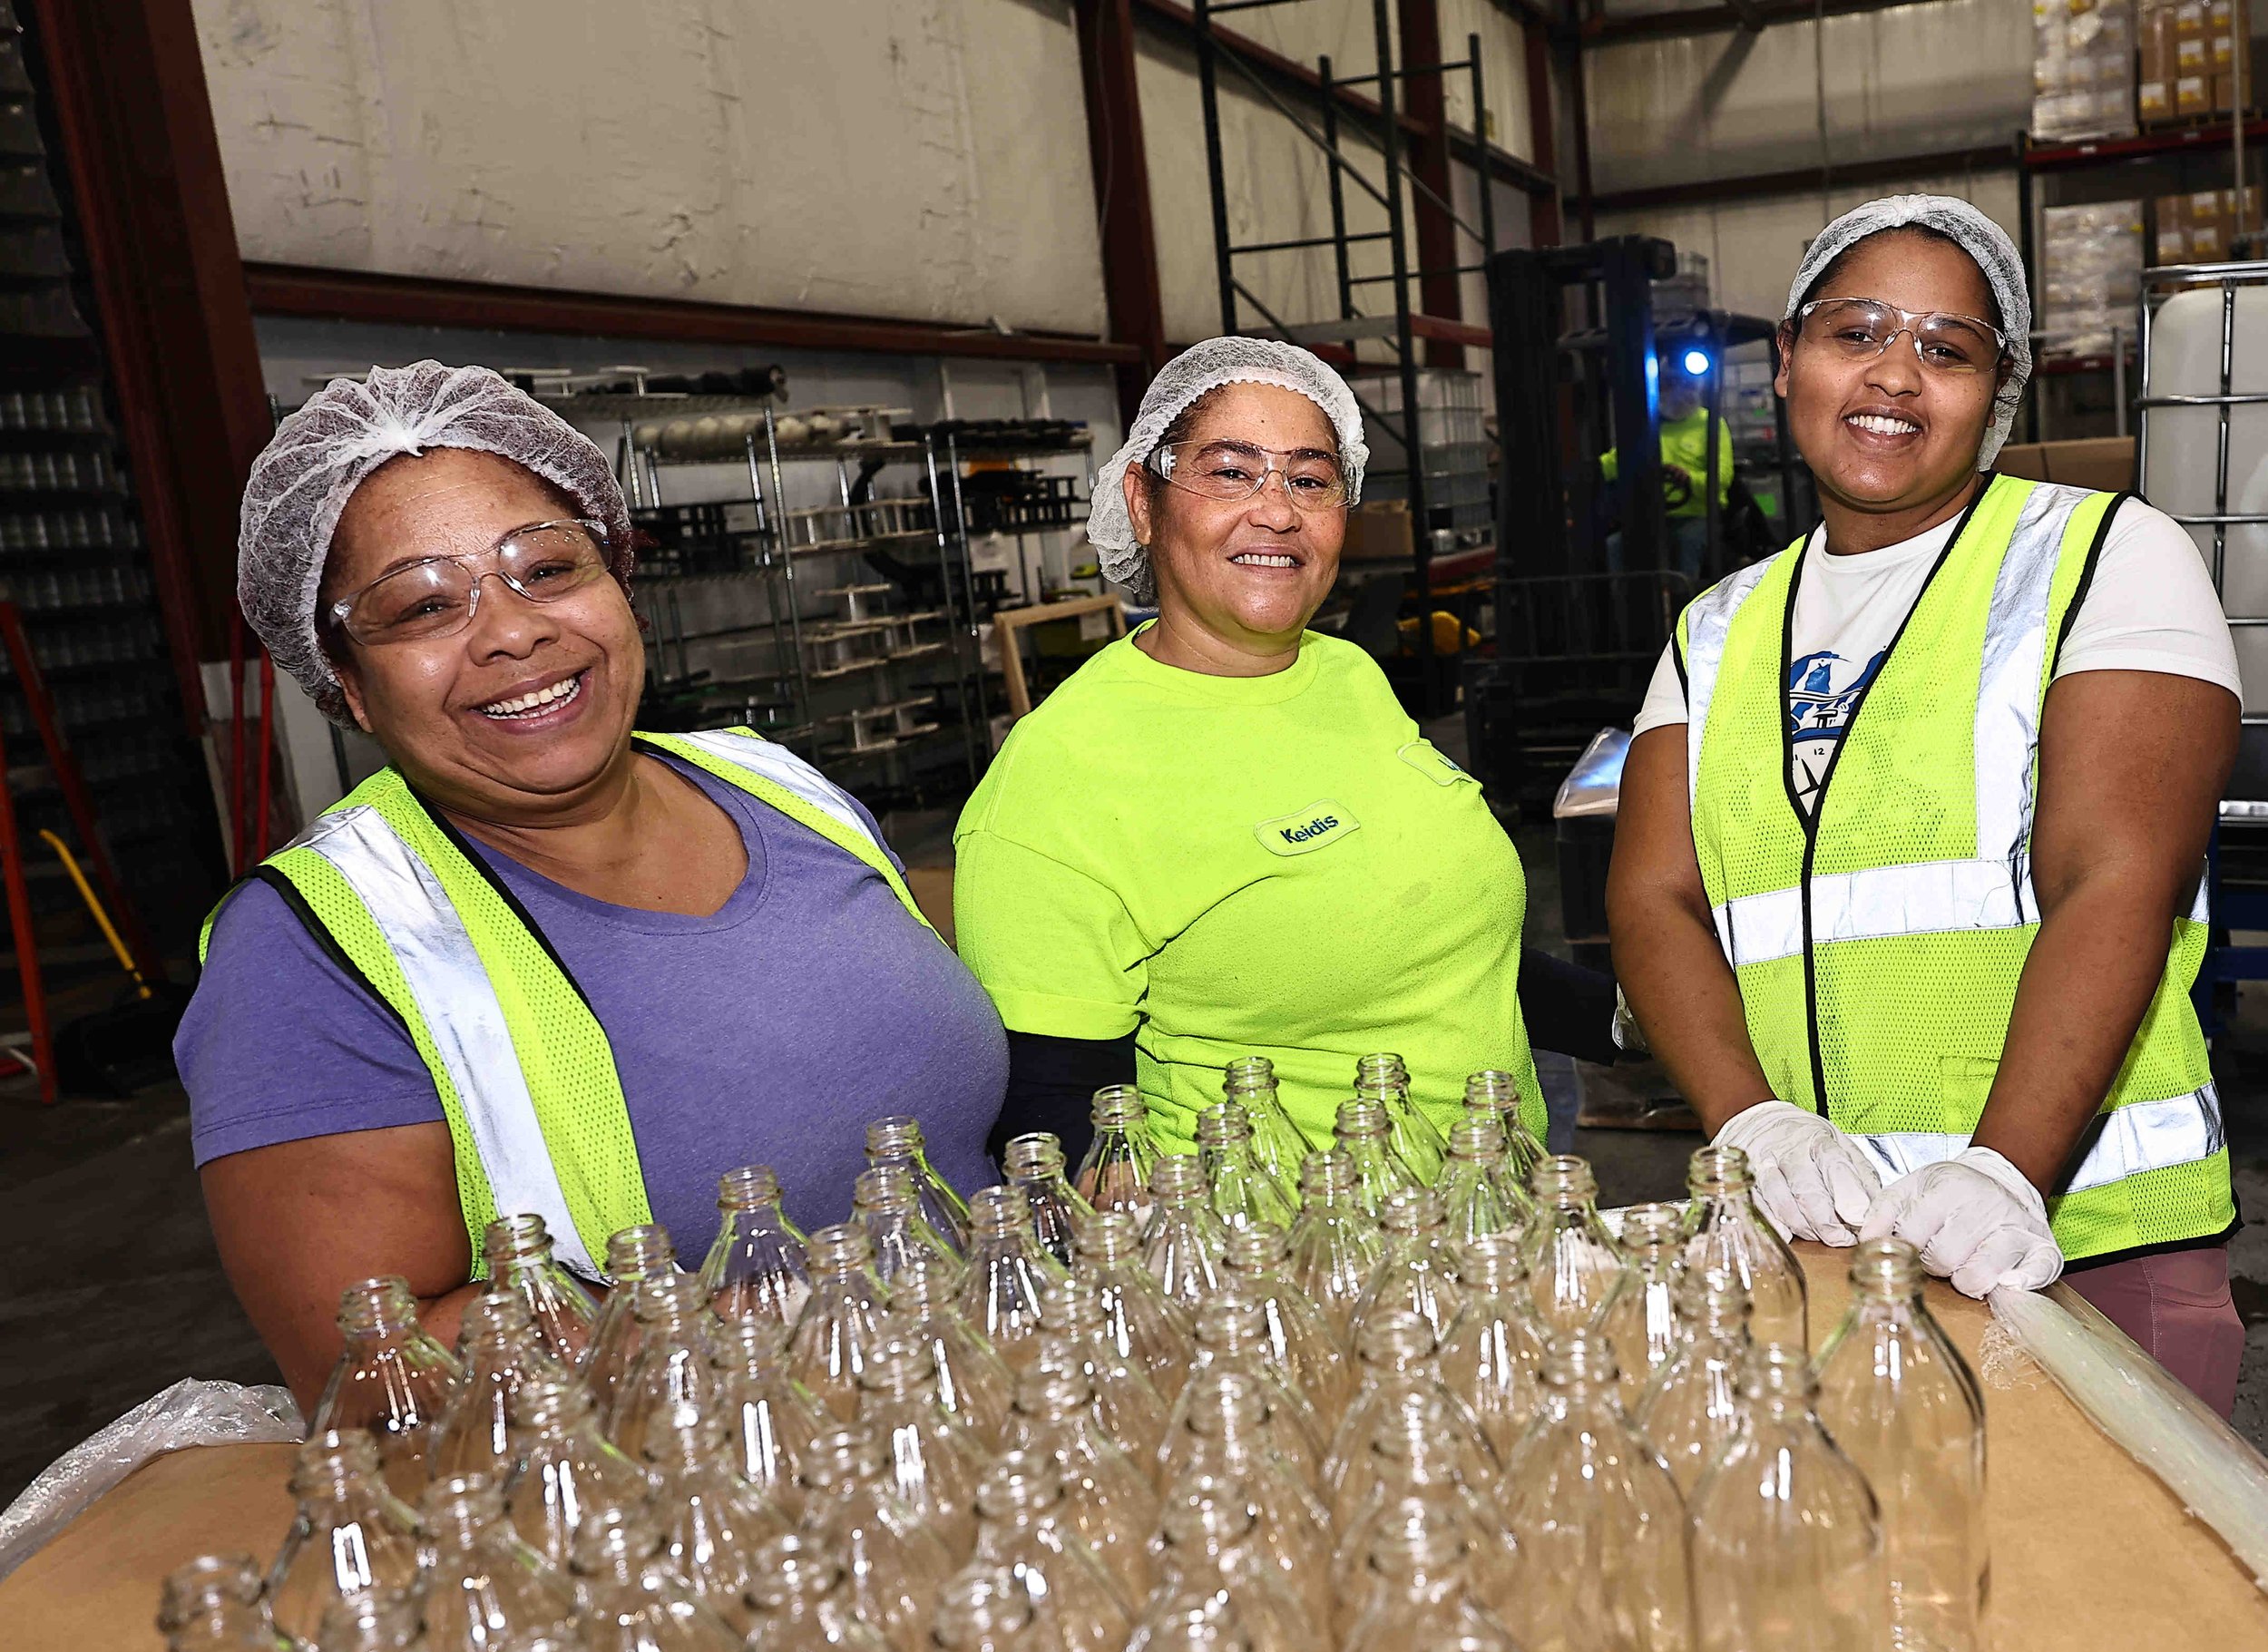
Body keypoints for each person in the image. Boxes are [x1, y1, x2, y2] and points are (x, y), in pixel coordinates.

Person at [180, 363, 1005, 1403]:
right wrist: (720, 1334)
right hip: (711, 1512)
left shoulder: (771, 780)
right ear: (344, 679)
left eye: (547, 567)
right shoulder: (316, 947)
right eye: (424, 605)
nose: (513, 630)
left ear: (619, 579)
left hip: (1011, 1422)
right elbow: (374, 1376)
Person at [1608, 195, 2244, 1413]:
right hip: (1823, 1241)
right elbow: (1654, 893)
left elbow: (2116, 873)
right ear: (1789, 357)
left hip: (2072, 1242)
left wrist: (2007, 1170)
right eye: (1858, 332)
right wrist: (1752, 1121)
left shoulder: (2104, 556)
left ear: (1996, 392)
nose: (1895, 374)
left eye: (1947, 349)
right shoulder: (1718, 626)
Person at [953, 336, 1614, 1165]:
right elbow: (1056, 1131)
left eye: (1310, 479)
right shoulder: (1062, 778)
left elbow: (1436, 953)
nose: (1277, 509)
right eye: (1230, 471)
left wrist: (1633, 1020)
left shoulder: (1346, 675)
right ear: (1143, 500)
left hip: (1491, 1228)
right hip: (1285, 1266)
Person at [1601, 340, 1740, 581]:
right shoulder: (1647, 427)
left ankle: (1686, 607)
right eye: (1670, 383)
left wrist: (1688, 477)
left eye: (1685, 383)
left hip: (1698, 514)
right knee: (1615, 545)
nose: (1678, 390)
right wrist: (1584, 473)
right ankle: (1621, 607)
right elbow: (1614, 464)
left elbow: (1722, 478)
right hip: (1652, 514)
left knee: (1686, 542)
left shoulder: (1710, 423)